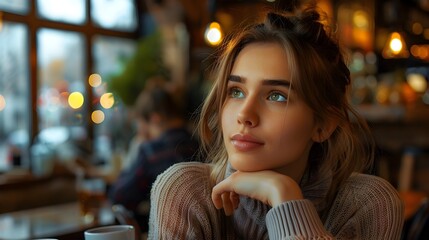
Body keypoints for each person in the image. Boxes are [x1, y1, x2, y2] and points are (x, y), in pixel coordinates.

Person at [147, 4, 404, 240]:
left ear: (323, 125)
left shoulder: (369, 204)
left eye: (276, 96)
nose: (244, 114)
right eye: (236, 91)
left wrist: (286, 200)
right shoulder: (185, 193)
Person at [108, 78, 199, 233]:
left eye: (142, 123)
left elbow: (119, 196)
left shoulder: (152, 151)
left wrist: (136, 148)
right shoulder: (200, 142)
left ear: (154, 118)